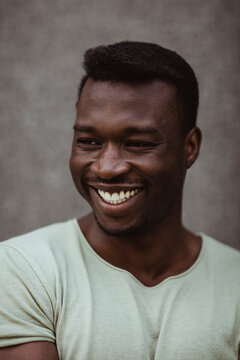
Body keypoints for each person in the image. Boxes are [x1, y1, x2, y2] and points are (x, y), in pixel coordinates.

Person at [0, 41, 239, 360]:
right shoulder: (24, 269)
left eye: (137, 144)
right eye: (89, 142)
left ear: (190, 147)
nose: (106, 167)